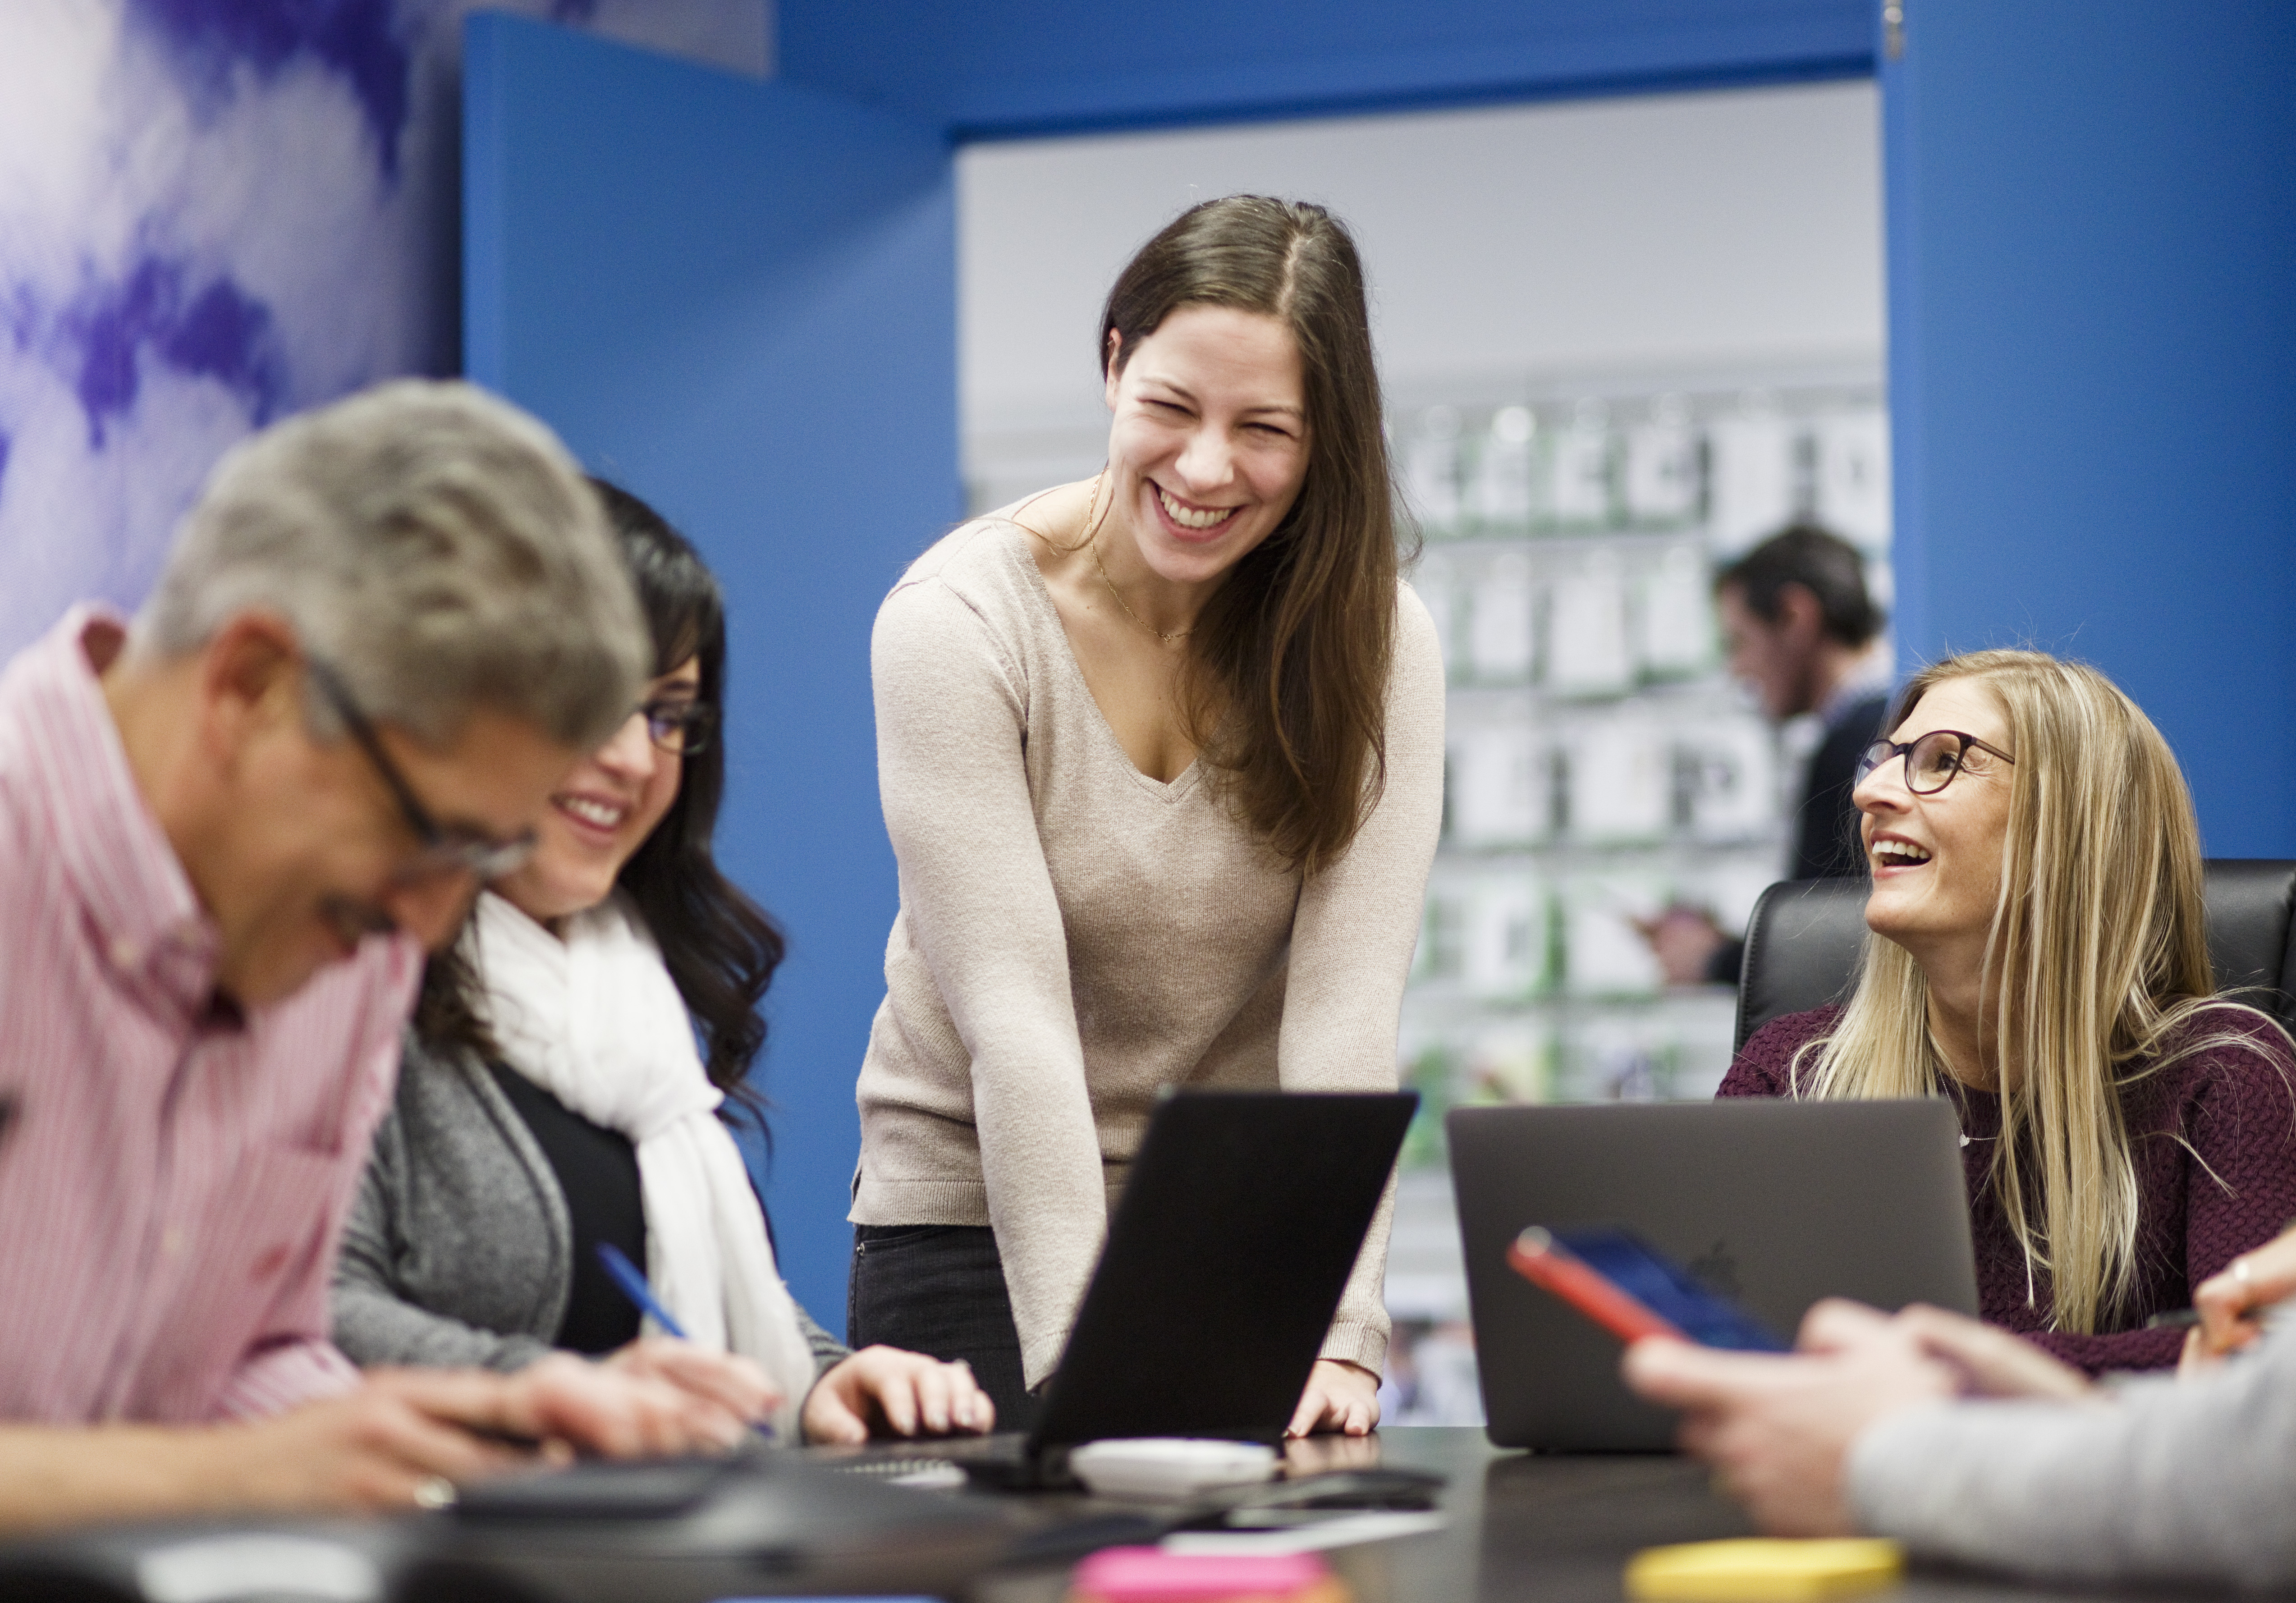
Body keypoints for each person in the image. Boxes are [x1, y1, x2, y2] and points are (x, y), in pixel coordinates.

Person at [1623, 135, 2296, 1601]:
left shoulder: (2239, 1069)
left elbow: (2291, 1492)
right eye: (1889, 757)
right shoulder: (1800, 1058)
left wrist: (1897, 1444)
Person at [0, 380, 750, 1532]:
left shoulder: (352, 937)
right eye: (430, 835)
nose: (430, 922)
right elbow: (214, 1462)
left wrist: (467, 1423)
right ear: (252, 683)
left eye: (488, 848)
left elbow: (245, 1364)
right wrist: (221, 1480)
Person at [848, 196, 1444, 1436]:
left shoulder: (1372, 643)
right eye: (1171, 408)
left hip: (1223, 1219)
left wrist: (1344, 1331)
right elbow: (1018, 1021)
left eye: (1264, 429)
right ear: (1114, 363)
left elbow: (1342, 1018)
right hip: (969, 1221)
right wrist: (1087, 1372)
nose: (1207, 467)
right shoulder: (956, 625)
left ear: (1327, 435)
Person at [335, 484, 992, 1446]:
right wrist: (553, 1390)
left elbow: (709, 1311)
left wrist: (821, 1386)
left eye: (666, 714)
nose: (633, 758)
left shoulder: (622, 984)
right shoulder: (338, 982)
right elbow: (298, 1320)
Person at [1717, 649, 2296, 1371]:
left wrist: (1923, 1372)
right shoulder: (1790, 1074)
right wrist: (2151, 1356)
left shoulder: (2222, 1078)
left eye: (1942, 761)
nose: (1870, 792)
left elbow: (2250, 1361)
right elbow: (1705, 1349)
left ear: (2070, 820)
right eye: (1886, 758)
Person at [1642, 525, 1891, 987]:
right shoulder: (1891, 724)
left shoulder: (1850, 750)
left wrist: (1713, 961)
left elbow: (1823, 950)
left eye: (1739, 642)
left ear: (1795, 617)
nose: (1737, 669)